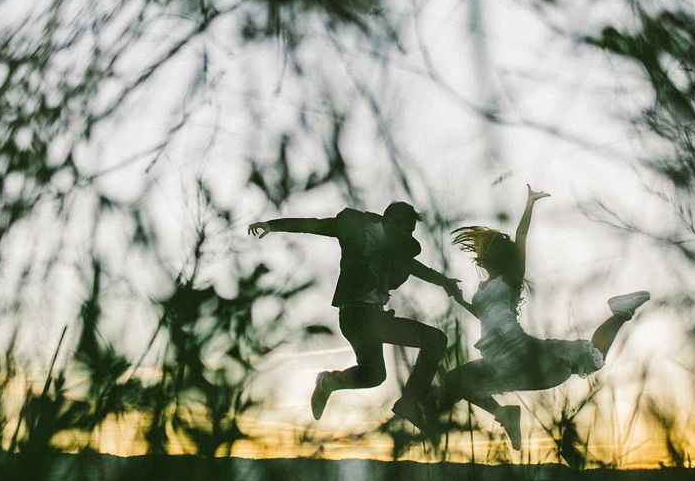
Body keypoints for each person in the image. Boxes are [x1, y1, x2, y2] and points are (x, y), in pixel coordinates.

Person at [441, 185, 649, 450]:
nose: (477, 256)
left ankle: (620, 312)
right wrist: (459, 300)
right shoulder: (484, 289)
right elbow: (483, 315)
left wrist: (529, 204)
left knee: (590, 358)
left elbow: (521, 234)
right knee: (453, 382)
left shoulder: (510, 279)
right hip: (496, 357)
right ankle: (504, 414)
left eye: (482, 251)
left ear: (493, 255)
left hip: (521, 352)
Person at [248, 202, 462, 431]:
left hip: (372, 318)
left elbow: (416, 268)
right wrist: (272, 225)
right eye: (406, 230)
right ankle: (409, 402)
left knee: (374, 376)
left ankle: (329, 382)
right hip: (357, 315)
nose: (408, 236)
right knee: (436, 340)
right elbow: (315, 226)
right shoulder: (356, 229)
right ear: (390, 222)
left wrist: (445, 282)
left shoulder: (396, 249)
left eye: (411, 232)